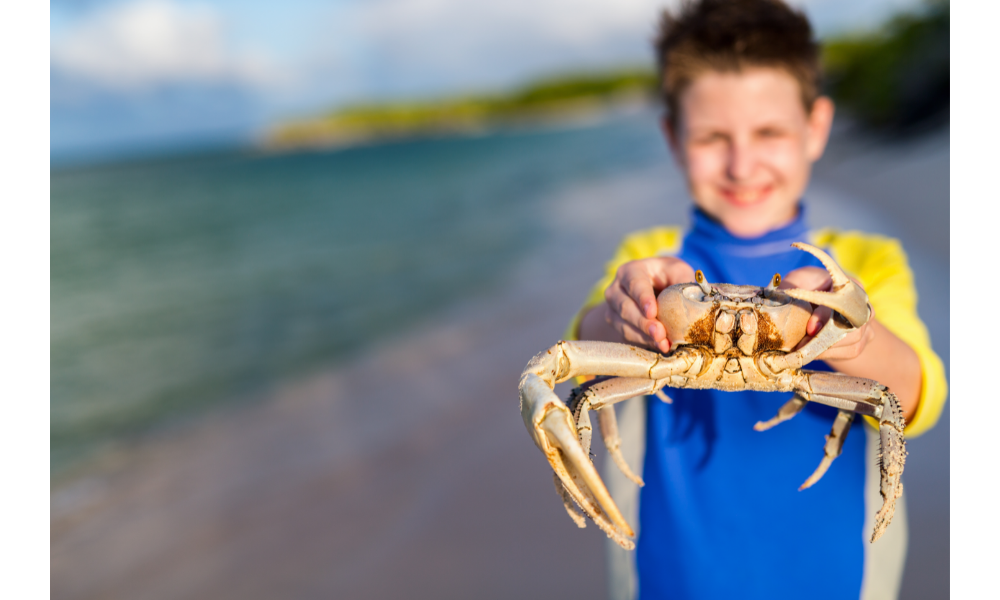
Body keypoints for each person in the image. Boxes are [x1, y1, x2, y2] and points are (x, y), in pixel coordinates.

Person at [563, 1, 948, 598]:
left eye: (769, 132)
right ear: (673, 137)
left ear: (815, 128)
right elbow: (573, 361)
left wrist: (854, 332)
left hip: (837, 581)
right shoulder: (651, 257)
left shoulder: (864, 264)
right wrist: (620, 312)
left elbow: (911, 396)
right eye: (714, 137)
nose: (742, 165)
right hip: (666, 580)